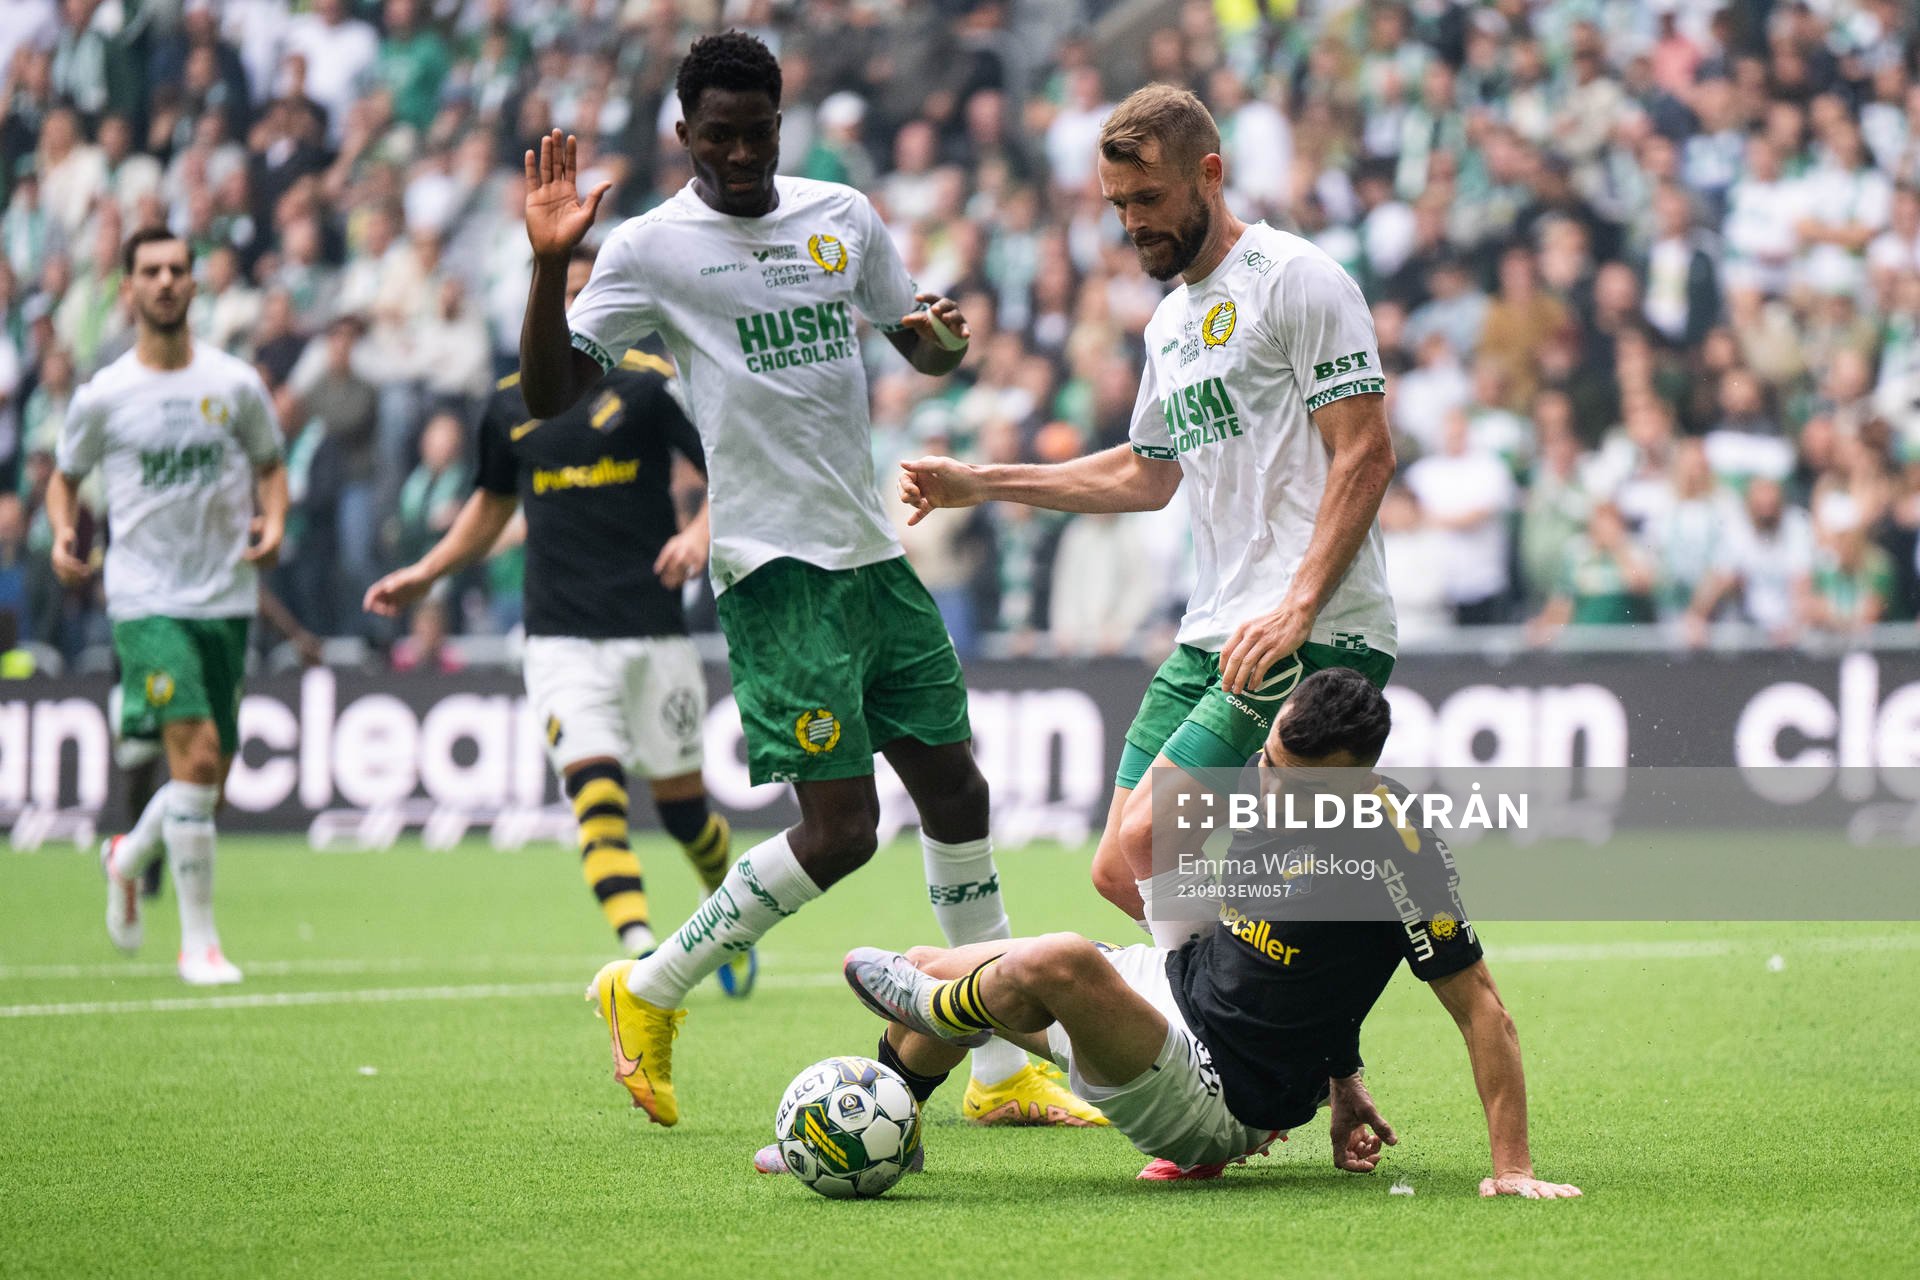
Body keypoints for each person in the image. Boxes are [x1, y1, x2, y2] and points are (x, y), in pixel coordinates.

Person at [516, 31, 1097, 1129]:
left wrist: (942, 343)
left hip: (869, 553)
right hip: (773, 571)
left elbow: (916, 342)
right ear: (685, 135)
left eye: (759, 132)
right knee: (839, 831)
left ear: (784, 123)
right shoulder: (649, 249)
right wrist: (551, 265)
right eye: (719, 136)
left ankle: (993, 1069)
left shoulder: (842, 217)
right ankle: (646, 987)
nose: (741, 154)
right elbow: (548, 394)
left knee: (959, 792)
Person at [899, 85, 1397, 948]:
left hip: (1310, 627)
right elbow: (1144, 473)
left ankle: (1257, 1045)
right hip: (1216, 630)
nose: (1131, 222)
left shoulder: (1297, 279)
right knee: (1116, 870)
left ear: (1210, 174)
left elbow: (1367, 452)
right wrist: (981, 482)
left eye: (1149, 198)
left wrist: (1299, 605)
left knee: (1148, 842)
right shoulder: (1169, 323)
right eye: (1117, 204)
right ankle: (1315, 1052)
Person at [843, 669, 1581, 1197]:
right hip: (1167, 992)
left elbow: (1483, 1008)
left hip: (1215, 1097)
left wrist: (1511, 1168)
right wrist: (1344, 1079)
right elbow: (1306, 973)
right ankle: (876, 1138)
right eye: (1270, 763)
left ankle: (945, 1010)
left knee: (1055, 959)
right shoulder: (1268, 777)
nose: (1267, 787)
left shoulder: (1399, 850)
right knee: (927, 963)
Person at [365, 243, 746, 982]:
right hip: (559, 638)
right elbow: (489, 507)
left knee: (684, 815)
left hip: (652, 630)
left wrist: (697, 534)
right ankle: (642, 950)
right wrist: (426, 571)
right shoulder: (510, 404)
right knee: (593, 790)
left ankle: (721, 908)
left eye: (585, 292)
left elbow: (723, 472)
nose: (573, 310)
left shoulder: (647, 385)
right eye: (559, 296)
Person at [48, 227, 287, 986]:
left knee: (206, 783)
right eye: (149, 271)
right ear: (128, 288)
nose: (164, 281)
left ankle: (128, 854)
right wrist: (63, 532)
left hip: (225, 595)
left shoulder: (234, 384)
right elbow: (64, 476)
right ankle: (200, 944)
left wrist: (274, 522)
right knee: (199, 757)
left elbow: (271, 465)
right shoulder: (105, 396)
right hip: (144, 599)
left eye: (177, 270)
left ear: (193, 285)